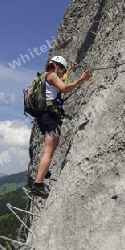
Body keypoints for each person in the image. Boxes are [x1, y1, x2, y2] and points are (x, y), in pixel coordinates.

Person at [31, 55, 92, 198]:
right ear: (57, 66)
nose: (62, 72)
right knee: (49, 151)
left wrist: (69, 70)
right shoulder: (51, 76)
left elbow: (62, 80)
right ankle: (38, 184)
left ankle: (43, 172)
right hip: (50, 116)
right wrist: (81, 80)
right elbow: (64, 88)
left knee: (54, 144)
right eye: (62, 69)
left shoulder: (49, 76)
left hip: (45, 116)